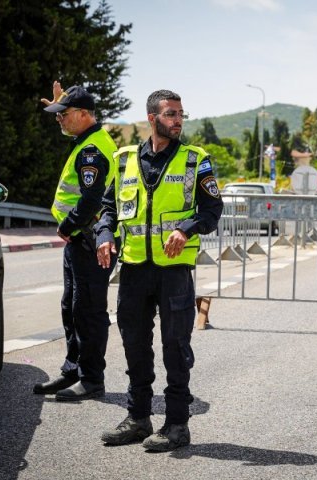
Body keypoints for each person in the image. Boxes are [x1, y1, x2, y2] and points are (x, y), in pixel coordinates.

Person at [95, 89, 222, 452]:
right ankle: (138, 418)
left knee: (175, 347)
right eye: (171, 114)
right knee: (135, 345)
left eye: (181, 114)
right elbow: (108, 209)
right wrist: (104, 235)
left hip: (174, 271)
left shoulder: (195, 160)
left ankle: (177, 425)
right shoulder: (124, 160)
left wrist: (185, 229)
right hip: (134, 269)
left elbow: (212, 209)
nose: (178, 120)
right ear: (152, 118)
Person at [32, 83, 119, 401]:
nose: (59, 119)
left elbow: (92, 198)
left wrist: (68, 224)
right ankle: (73, 371)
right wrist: (61, 104)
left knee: (88, 311)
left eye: (64, 114)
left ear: (84, 114)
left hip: (91, 239)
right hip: (80, 240)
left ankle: (92, 379)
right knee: (71, 306)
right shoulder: (86, 140)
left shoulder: (92, 149)